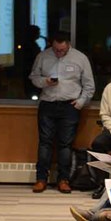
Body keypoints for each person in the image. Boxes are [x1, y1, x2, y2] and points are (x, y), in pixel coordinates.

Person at [29, 31, 95, 193]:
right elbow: (33, 77)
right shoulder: (43, 56)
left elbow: (89, 86)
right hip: (48, 104)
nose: (59, 53)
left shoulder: (80, 58)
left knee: (65, 145)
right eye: (56, 50)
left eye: (62, 50)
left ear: (68, 45)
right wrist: (45, 81)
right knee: (45, 143)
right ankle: (41, 179)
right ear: (52, 45)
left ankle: (63, 180)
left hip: (69, 107)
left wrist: (80, 103)